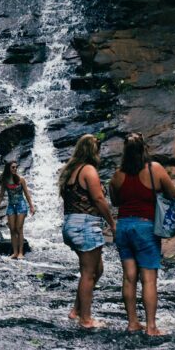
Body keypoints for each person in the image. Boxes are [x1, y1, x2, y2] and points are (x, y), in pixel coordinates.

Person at [109, 132, 175, 336]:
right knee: (149, 279)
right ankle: (151, 327)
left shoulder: (117, 175)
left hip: (123, 227)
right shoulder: (154, 169)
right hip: (145, 227)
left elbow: (115, 201)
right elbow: (172, 193)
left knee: (129, 277)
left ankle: (132, 323)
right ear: (144, 148)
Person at [59, 134, 115, 328]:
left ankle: (76, 310)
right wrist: (112, 223)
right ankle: (86, 319)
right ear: (94, 151)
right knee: (89, 273)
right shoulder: (88, 170)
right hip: (85, 225)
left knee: (95, 269)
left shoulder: (70, 170)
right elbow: (99, 199)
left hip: (71, 224)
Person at [0, 159, 36, 259]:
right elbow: (1, 196)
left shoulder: (21, 180)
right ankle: (15, 253)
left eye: (16, 167)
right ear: (8, 169)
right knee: (12, 229)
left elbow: (27, 194)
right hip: (11, 206)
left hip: (21, 205)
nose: (15, 169)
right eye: (13, 167)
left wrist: (31, 206)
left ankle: (21, 253)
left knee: (19, 228)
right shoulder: (5, 181)